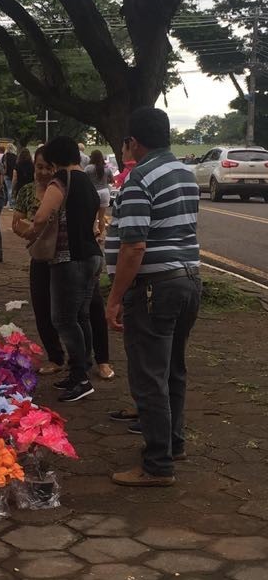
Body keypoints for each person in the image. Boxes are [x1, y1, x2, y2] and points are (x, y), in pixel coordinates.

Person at [105, 107, 201, 487]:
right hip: (188, 280)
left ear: (134, 142)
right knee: (173, 369)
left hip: (153, 288)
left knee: (149, 376)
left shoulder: (139, 179)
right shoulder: (185, 173)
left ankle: (158, 464)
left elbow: (133, 246)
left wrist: (114, 298)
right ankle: (173, 443)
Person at [13, 148, 114, 380]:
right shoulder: (28, 191)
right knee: (45, 308)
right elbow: (19, 222)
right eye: (39, 167)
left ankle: (94, 363)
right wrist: (31, 232)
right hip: (43, 256)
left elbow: (40, 221)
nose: (44, 172)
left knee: (83, 312)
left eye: (49, 167)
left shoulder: (65, 186)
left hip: (69, 257)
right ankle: (60, 359)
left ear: (57, 167)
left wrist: (35, 228)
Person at [28, 136, 102, 402]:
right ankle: (81, 368)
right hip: (93, 255)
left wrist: (31, 231)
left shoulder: (61, 181)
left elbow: (41, 216)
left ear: (57, 160)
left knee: (63, 319)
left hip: (68, 258)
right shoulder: (89, 183)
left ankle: (80, 377)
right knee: (81, 316)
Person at [86, 149, 114, 242]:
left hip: (93, 192)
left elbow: (84, 179)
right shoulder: (106, 169)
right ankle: (101, 236)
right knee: (101, 217)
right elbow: (112, 181)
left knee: (92, 216)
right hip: (105, 192)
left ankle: (93, 234)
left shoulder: (89, 168)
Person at [3, 143, 18, 209]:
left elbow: (2, 165)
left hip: (6, 174)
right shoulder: (15, 156)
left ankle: (11, 203)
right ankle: (13, 203)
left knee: (9, 189)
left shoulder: (5, 156)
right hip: (14, 174)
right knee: (13, 189)